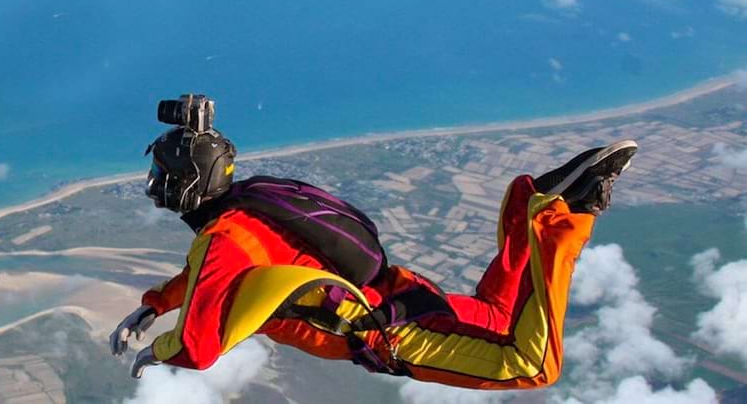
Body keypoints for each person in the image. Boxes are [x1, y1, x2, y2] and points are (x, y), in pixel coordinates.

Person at [110, 94, 638, 390]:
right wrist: (156, 304)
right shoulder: (250, 202)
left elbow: (199, 347)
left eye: (160, 175)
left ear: (184, 186)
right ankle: (526, 206)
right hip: (403, 295)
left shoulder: (224, 241)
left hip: (391, 335)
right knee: (498, 313)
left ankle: (560, 218)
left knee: (531, 363)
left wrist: (158, 353)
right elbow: (209, 279)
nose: (155, 185)